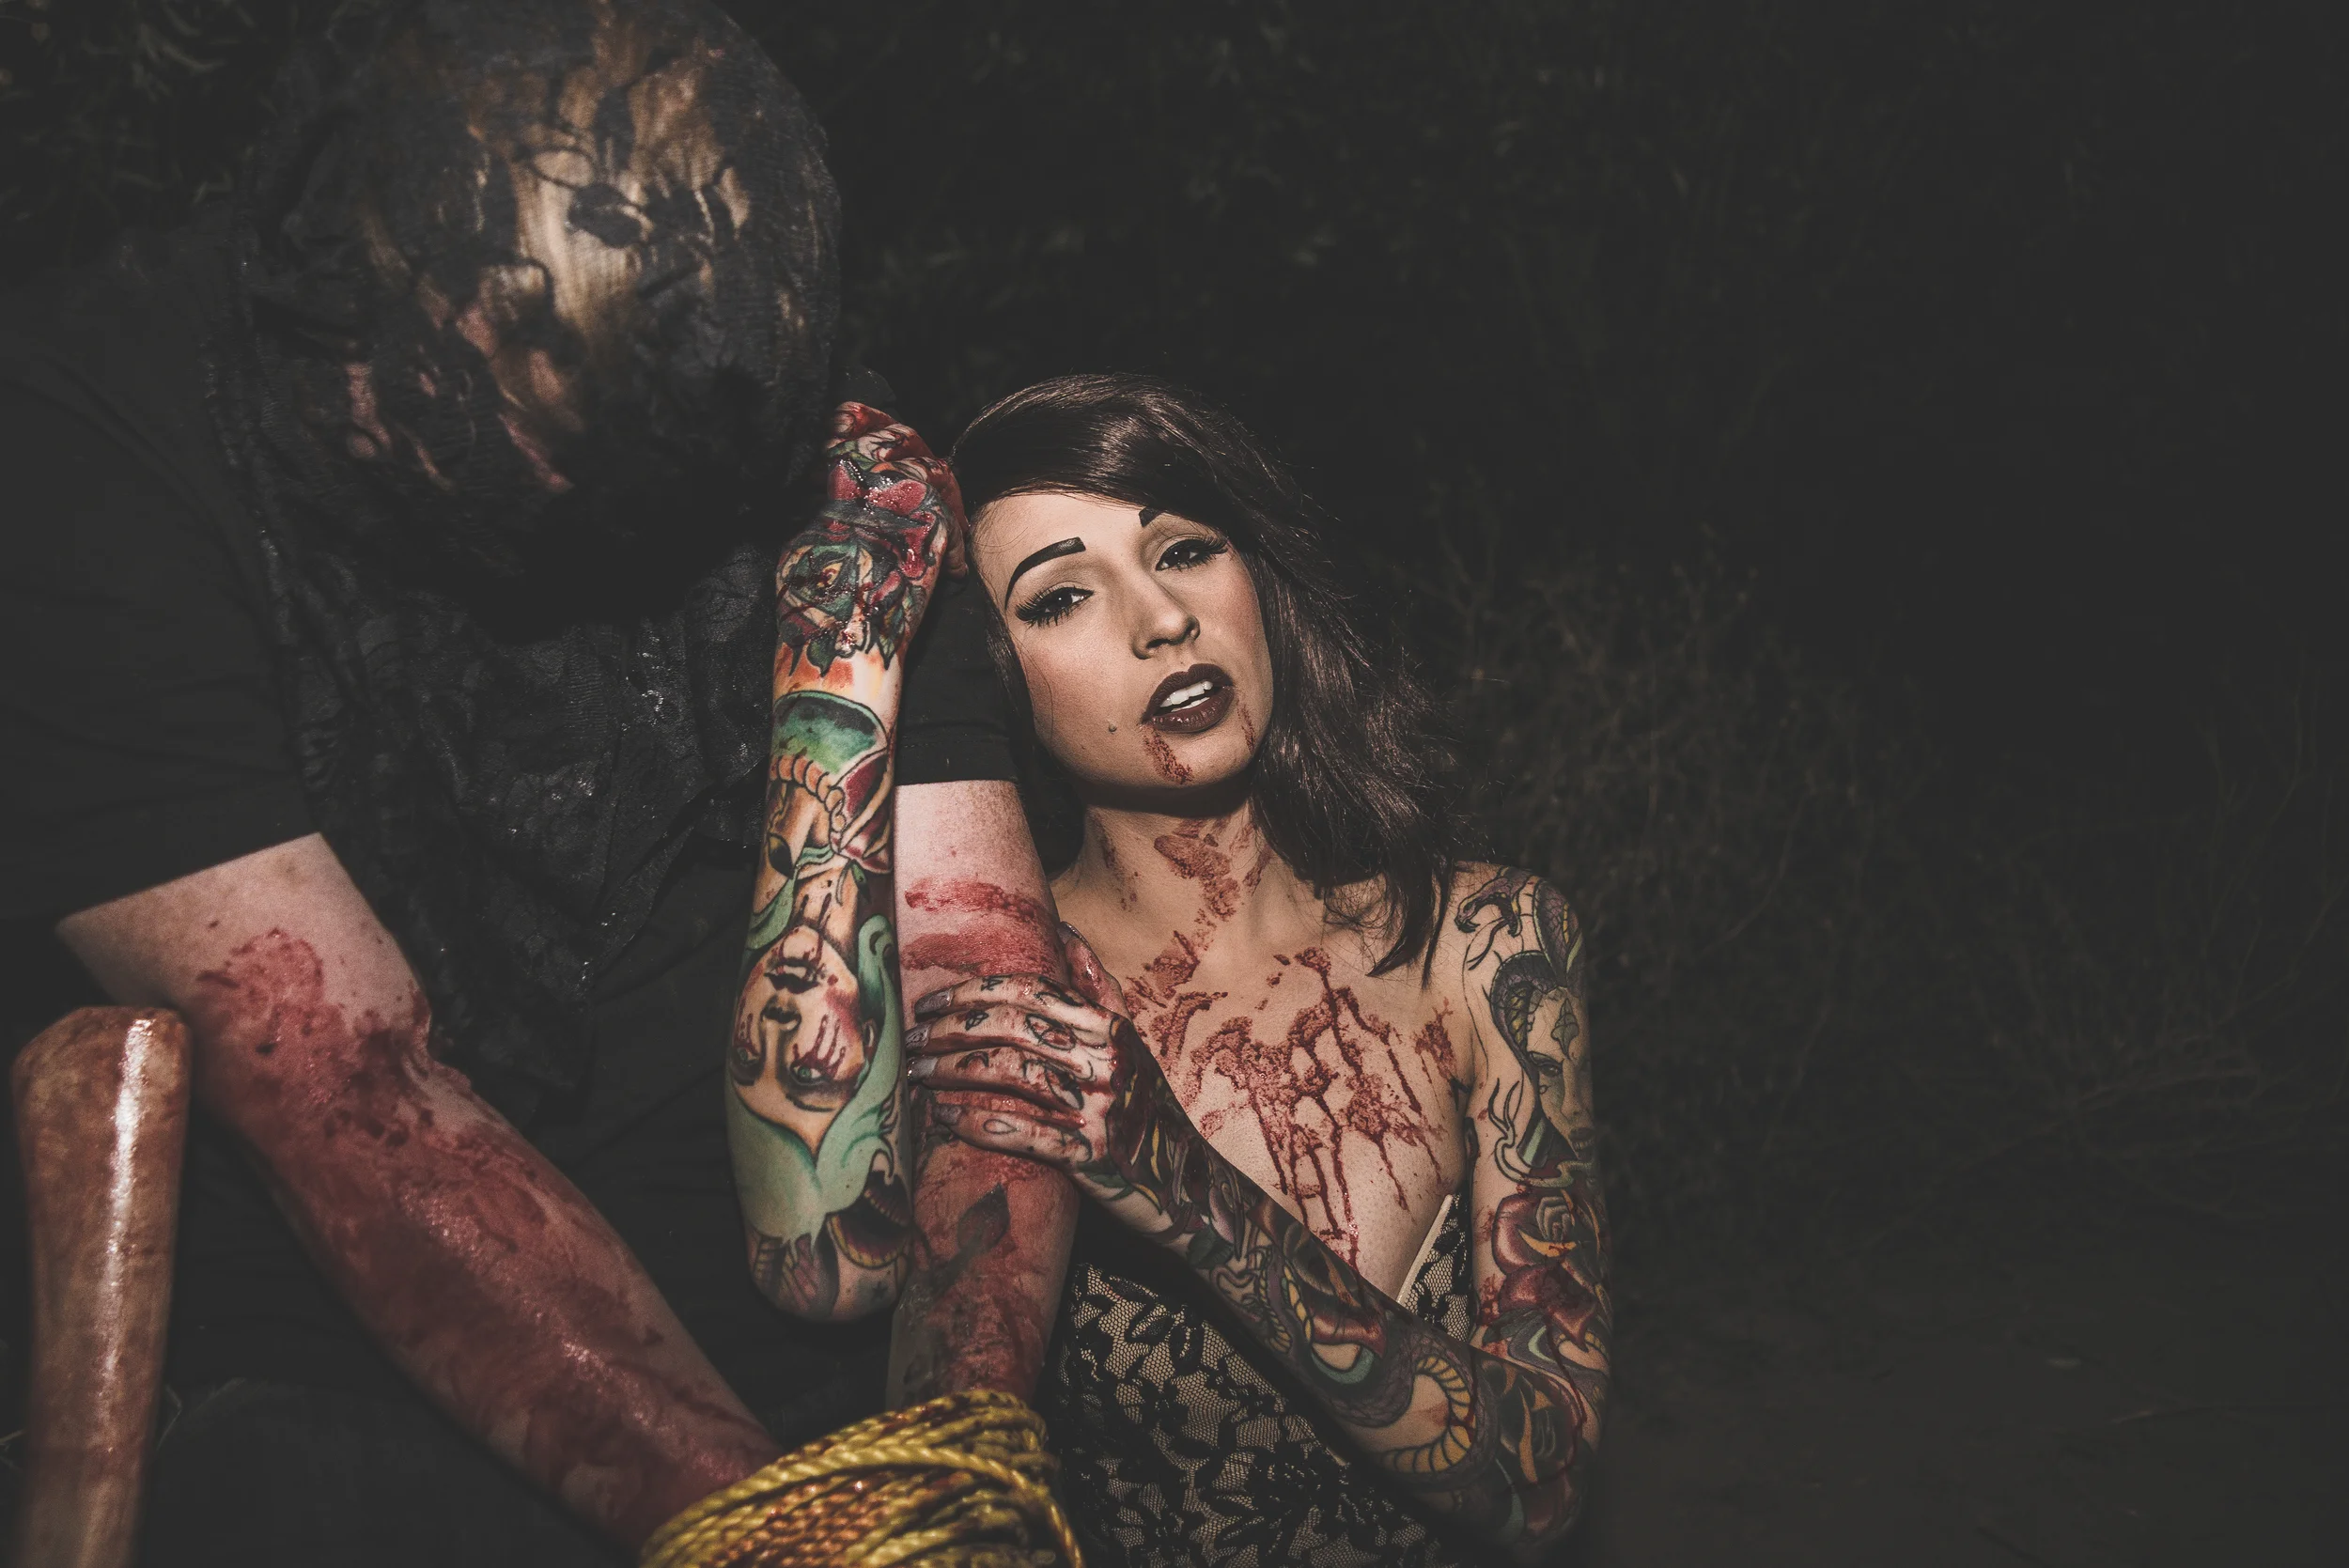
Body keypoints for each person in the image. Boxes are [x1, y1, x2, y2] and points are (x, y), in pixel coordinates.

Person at [0, 1, 1066, 1560]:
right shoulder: (87, 447)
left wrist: (959, 1471)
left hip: (823, 1337)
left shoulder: (751, 380)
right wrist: (791, 1537)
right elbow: (350, 1090)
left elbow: (979, 981)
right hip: (350, 1383)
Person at [899, 374, 1613, 1566]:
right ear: (988, 677)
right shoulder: (1000, 1002)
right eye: (1062, 595)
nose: (1162, 620)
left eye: (1183, 549)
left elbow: (1543, 1491)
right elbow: (932, 1483)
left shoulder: (1485, 945)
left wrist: (1178, 1183)